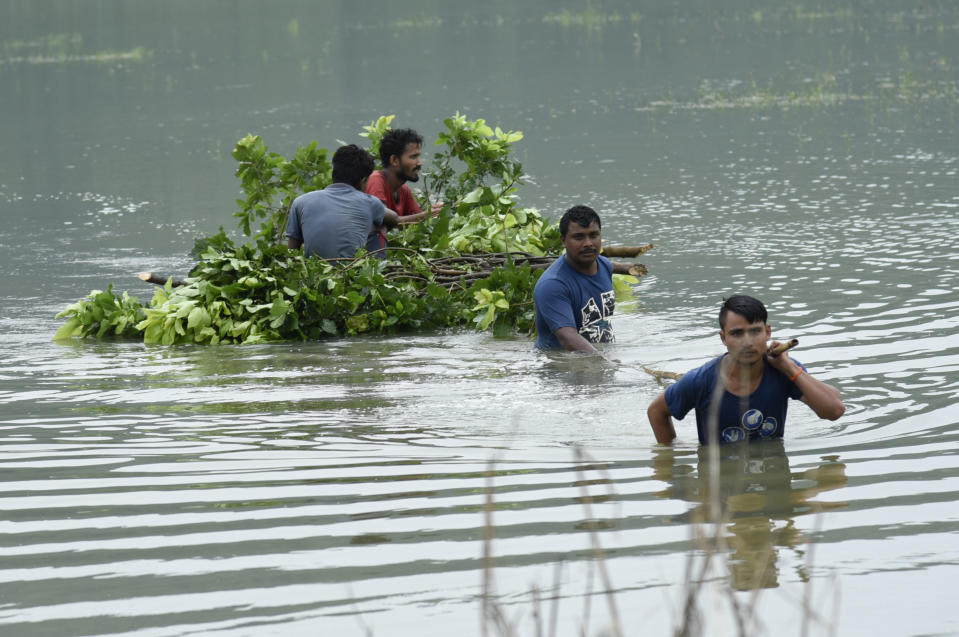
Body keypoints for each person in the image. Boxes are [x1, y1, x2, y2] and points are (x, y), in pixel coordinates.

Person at [647, 294, 844, 445]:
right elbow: (656, 411)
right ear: (724, 338)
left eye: (755, 331)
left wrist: (789, 367)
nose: (747, 342)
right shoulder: (701, 380)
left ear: (768, 332)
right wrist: (671, 458)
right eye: (737, 333)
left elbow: (834, 410)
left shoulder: (784, 370)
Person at [286, 144, 400, 259]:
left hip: (316, 272)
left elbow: (291, 253)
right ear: (363, 181)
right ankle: (378, 269)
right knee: (381, 226)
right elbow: (395, 218)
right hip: (352, 272)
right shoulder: (370, 203)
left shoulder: (300, 202)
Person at [533, 205, 615, 352]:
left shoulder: (605, 266)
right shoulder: (552, 285)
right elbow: (568, 340)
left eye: (593, 235)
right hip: (561, 369)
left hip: (597, 360)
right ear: (564, 241)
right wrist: (611, 364)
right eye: (579, 237)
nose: (588, 243)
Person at [365, 128, 441, 253]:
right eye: (413, 157)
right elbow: (382, 221)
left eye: (419, 156)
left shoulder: (403, 190)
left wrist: (435, 214)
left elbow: (419, 222)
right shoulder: (375, 180)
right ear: (394, 160)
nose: (420, 163)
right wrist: (426, 215)